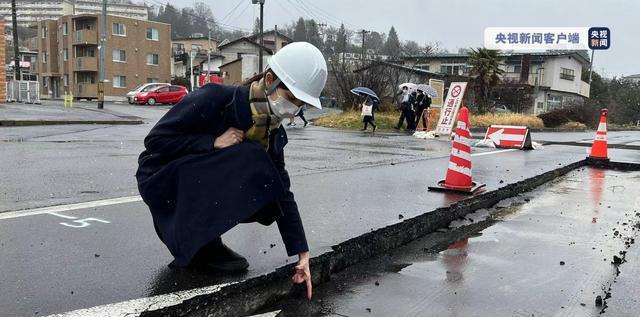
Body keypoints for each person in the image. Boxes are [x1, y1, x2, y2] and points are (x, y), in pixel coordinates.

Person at [135, 42, 327, 300]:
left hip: (198, 173)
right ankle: (190, 238)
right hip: (162, 175)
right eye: (291, 98)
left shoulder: (272, 132)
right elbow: (155, 142)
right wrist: (211, 142)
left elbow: (283, 190)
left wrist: (302, 253)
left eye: (300, 104)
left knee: (266, 177)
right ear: (269, 79)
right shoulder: (215, 98)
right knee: (249, 156)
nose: (293, 109)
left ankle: (207, 238)